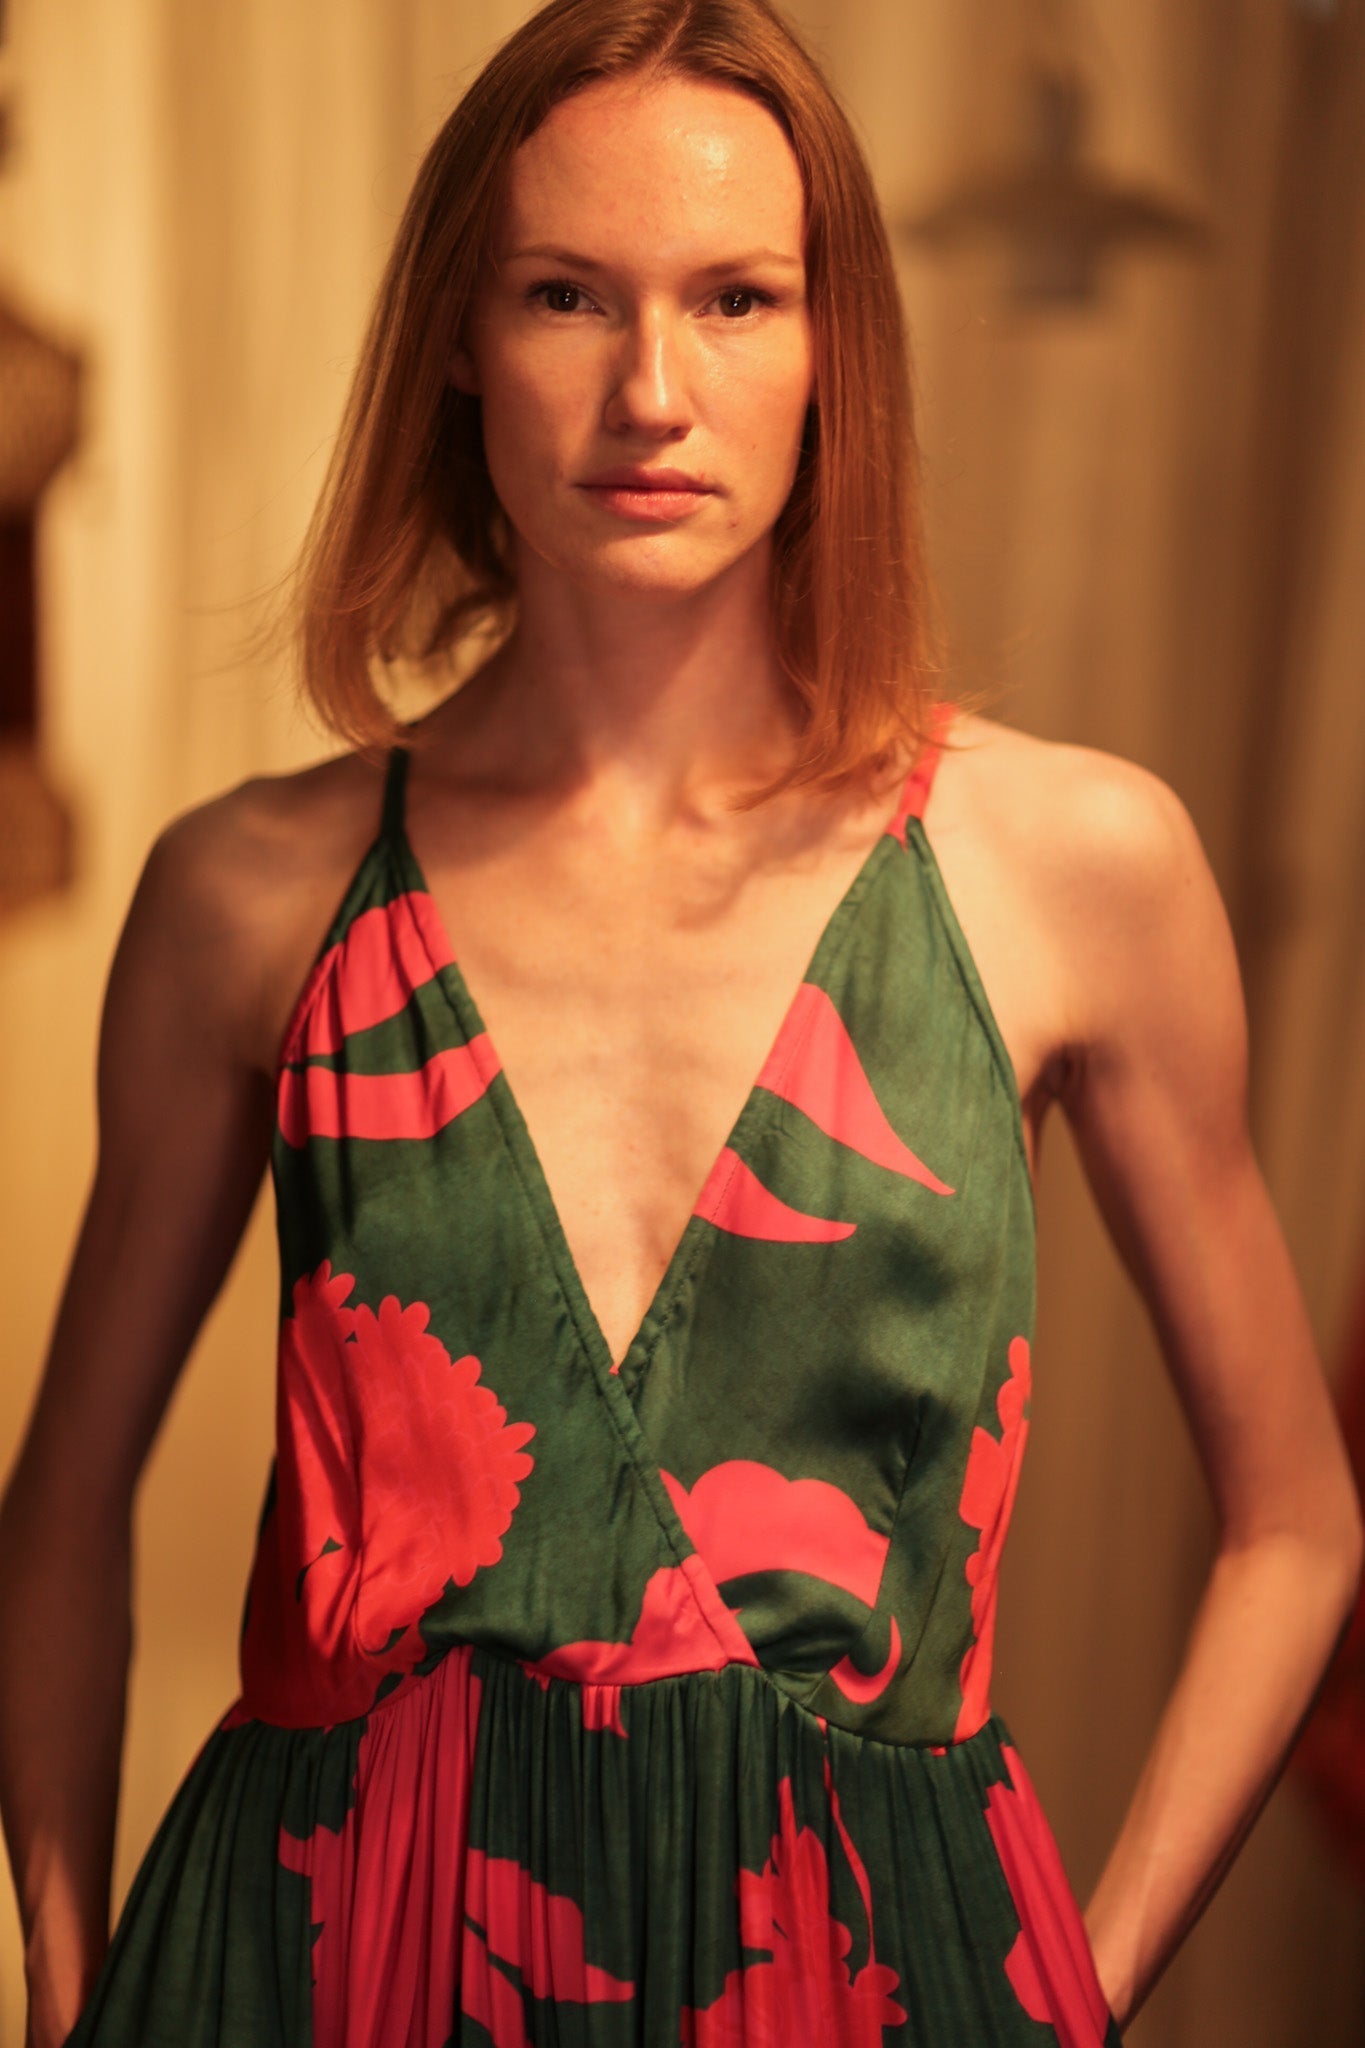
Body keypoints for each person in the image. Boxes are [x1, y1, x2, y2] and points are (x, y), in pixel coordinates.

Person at [2, 0, 1360, 2041]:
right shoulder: (249, 894)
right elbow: (61, 1503)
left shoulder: (1071, 865)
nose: (652, 391)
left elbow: (1297, 1524)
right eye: (567, 295)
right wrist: (73, 1988)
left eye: (735, 298)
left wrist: (1067, 1999)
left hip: (859, 1980)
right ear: (457, 338)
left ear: (833, 347)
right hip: (308, 1970)